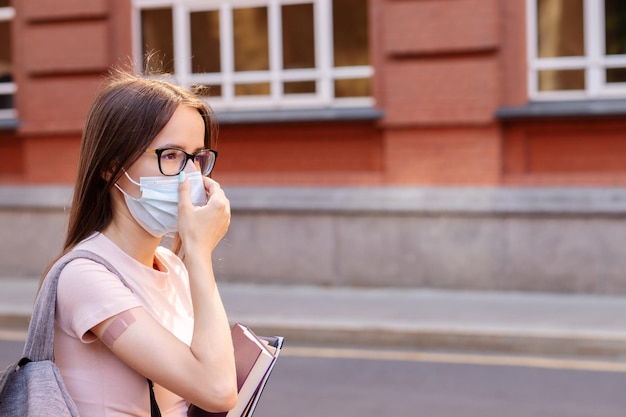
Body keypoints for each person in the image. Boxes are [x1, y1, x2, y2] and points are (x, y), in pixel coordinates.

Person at [48, 70, 238, 416]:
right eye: (171, 156)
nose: (191, 176)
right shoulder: (85, 277)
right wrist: (199, 251)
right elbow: (218, 390)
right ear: (112, 167)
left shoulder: (172, 266)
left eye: (197, 158)